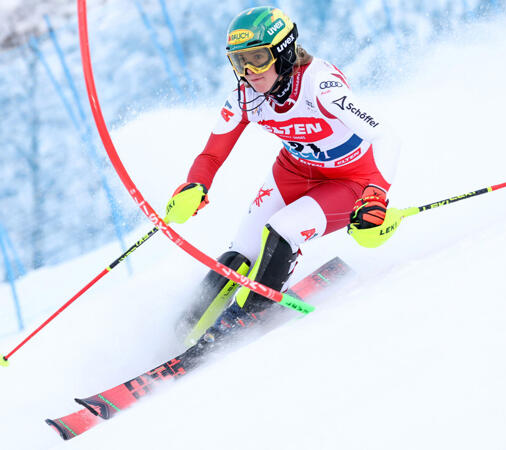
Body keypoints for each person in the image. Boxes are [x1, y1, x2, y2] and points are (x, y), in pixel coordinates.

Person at [165, 6, 401, 348]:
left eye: (258, 58)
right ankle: (182, 333)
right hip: (292, 172)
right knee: (241, 252)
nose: (249, 72)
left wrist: (376, 194)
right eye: (239, 62)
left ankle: (247, 319)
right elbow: (212, 155)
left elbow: (385, 135)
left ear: (284, 51)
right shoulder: (247, 97)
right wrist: (195, 184)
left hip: (349, 181)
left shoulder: (321, 86)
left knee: (282, 231)